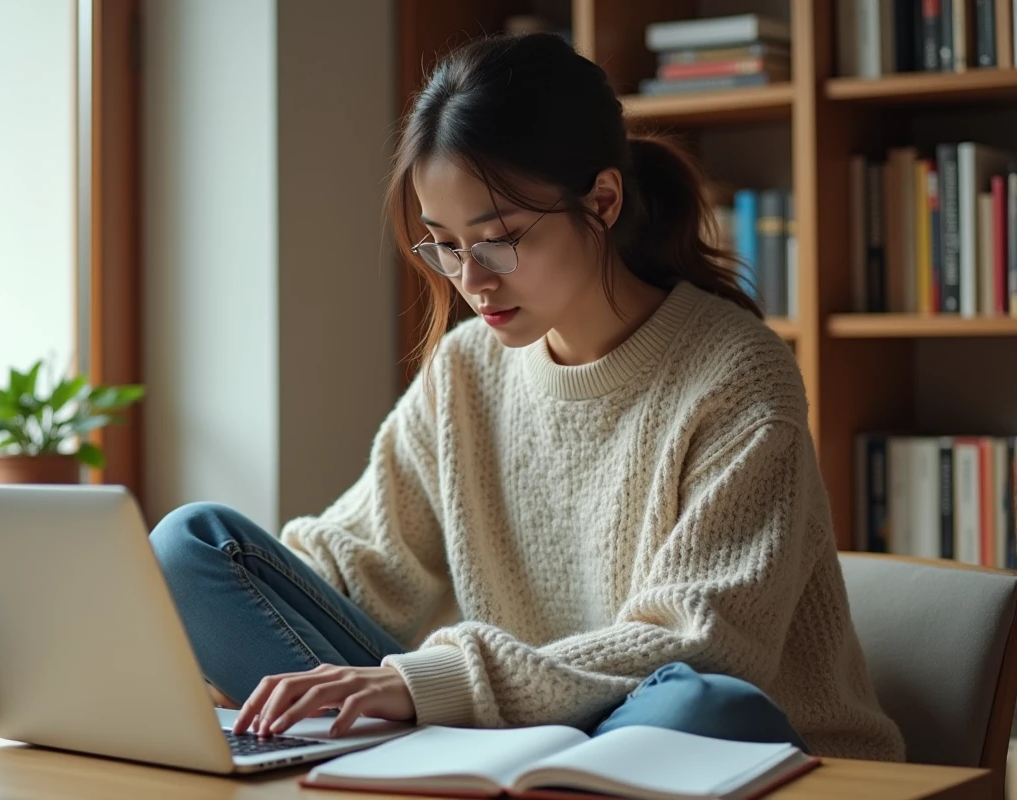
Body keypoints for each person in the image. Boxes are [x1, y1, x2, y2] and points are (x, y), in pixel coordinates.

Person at [148, 31, 905, 762]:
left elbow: (701, 640)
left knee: (700, 704)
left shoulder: (736, 372)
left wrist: (432, 681)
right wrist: (194, 635)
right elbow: (359, 562)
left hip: (682, 728)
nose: (471, 280)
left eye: (498, 238)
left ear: (603, 200)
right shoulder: (465, 368)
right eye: (442, 243)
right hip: (510, 737)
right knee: (191, 545)